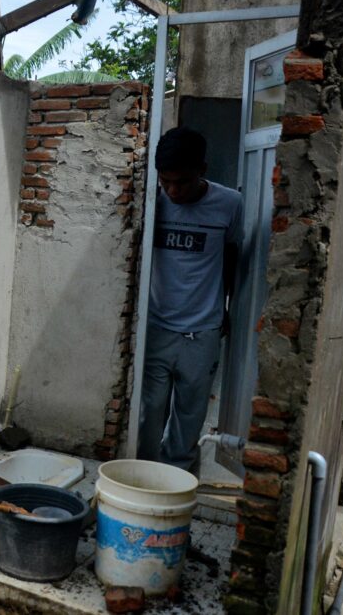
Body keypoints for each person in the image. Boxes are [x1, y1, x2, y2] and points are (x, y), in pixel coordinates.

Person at [137, 126, 243, 474]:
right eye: (165, 181)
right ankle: (142, 477)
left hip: (203, 330)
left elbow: (231, 257)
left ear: (203, 170)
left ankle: (176, 481)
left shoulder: (229, 204)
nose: (172, 190)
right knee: (149, 411)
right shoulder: (152, 202)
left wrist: (226, 307)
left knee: (190, 413)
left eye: (181, 182)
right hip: (155, 326)